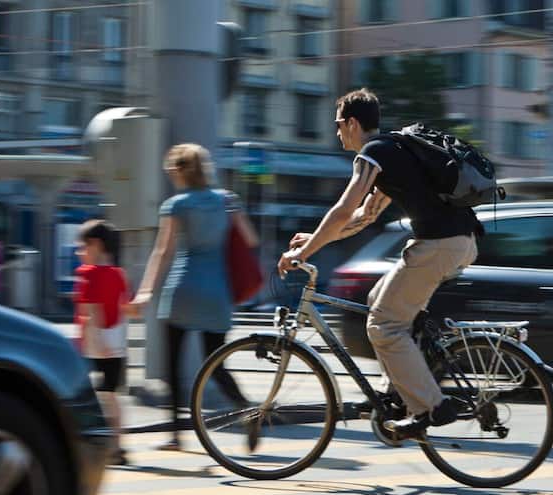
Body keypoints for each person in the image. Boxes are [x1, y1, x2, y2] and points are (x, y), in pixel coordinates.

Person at [278, 88, 482, 439]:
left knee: (383, 325)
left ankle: (432, 406)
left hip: (438, 245)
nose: (337, 132)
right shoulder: (393, 151)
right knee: (378, 302)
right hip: (460, 242)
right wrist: (313, 238)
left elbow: (343, 208)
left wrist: (304, 253)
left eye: (338, 124)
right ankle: (401, 394)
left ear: (352, 123)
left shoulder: (373, 154)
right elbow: (363, 216)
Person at [129, 143, 258, 451]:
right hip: (218, 292)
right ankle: (247, 409)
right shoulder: (228, 201)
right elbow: (251, 239)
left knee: (173, 365)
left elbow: (163, 251)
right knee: (215, 362)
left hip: (183, 289)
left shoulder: (177, 205)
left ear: (179, 171)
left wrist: (145, 291)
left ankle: (176, 436)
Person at [75, 219, 129, 465]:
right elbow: (124, 308)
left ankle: (89, 447)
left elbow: (90, 313)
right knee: (111, 398)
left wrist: (90, 344)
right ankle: (117, 448)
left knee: (87, 399)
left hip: (94, 349)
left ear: (95, 245)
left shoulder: (89, 275)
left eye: (82, 247)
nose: (79, 252)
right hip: (116, 346)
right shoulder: (118, 274)